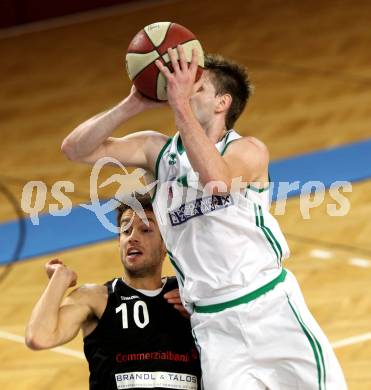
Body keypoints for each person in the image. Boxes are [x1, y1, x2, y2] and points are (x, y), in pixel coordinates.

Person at [61, 46, 347, 389]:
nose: (181, 90)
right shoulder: (157, 152)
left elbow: (218, 182)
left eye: (196, 87)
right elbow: (75, 149)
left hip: (271, 309)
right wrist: (134, 102)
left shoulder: (247, 150)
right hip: (214, 329)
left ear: (221, 103)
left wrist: (179, 105)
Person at [25, 194, 201, 390]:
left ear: (166, 244)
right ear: (119, 242)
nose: (133, 237)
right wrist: (60, 277)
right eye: (126, 230)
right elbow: (39, 337)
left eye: (145, 229)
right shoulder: (96, 298)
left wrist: (202, 314)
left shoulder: (191, 293)